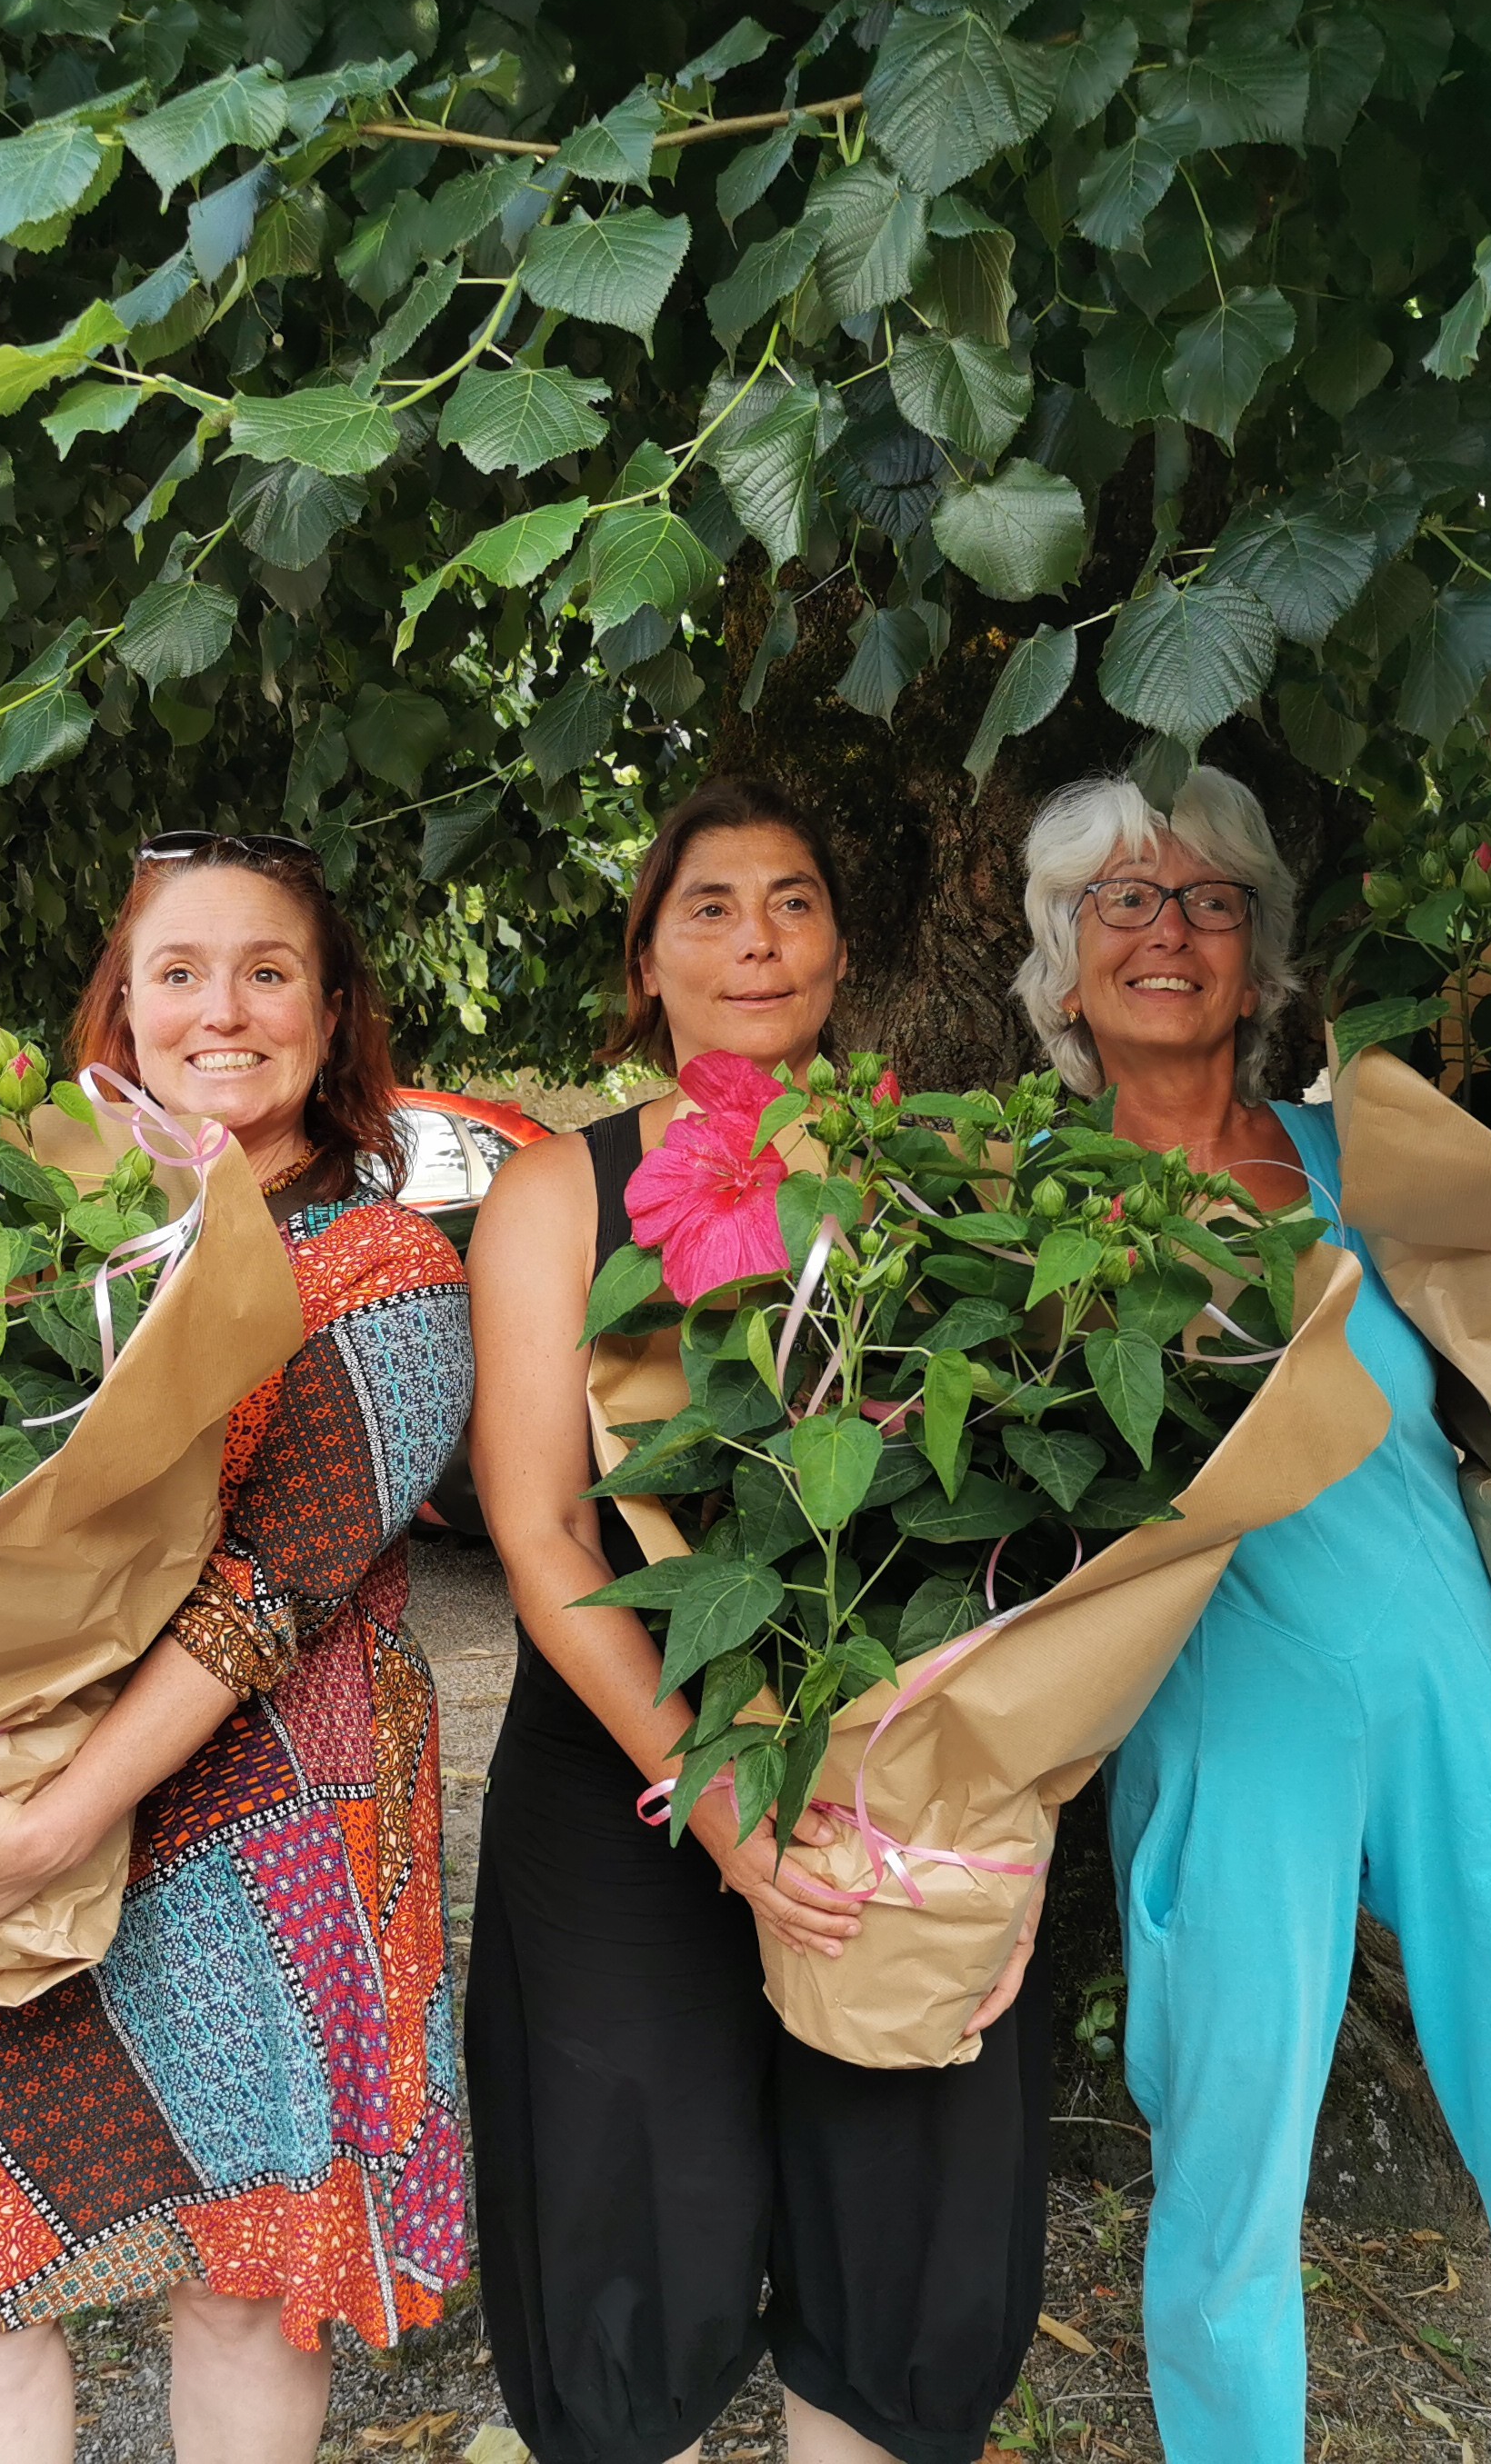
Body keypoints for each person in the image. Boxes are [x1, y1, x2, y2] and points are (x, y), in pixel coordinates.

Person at [1008, 769, 1491, 2464]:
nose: (1167, 930)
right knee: (1223, 2180)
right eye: (1121, 903)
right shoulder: (1010, 1213)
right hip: (1227, 1717)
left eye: (1209, 899)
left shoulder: (1372, 1172)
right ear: (1060, 969)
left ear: (1262, 957)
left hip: (1472, 1692)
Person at [0, 830, 475, 2464]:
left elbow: (273, 1588)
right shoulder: (16, 1264)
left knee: (240, 2280)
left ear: (334, 1009)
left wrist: (55, 1825)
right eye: (179, 971)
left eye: (268, 971)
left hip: (279, 1819)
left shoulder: (384, 1266)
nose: (221, 1011)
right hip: (11, 1816)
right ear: (122, 1008)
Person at [464, 777, 1048, 2464]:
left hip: (882, 1770)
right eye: (709, 906)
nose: (756, 937)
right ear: (646, 958)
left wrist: (997, 1816)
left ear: (842, 949)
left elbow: (999, 1517)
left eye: (793, 899)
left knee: (893, 2218)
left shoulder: (940, 1171)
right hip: (624, 1772)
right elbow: (539, 1525)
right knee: (628, 2223)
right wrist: (713, 1799)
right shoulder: (557, 1194)